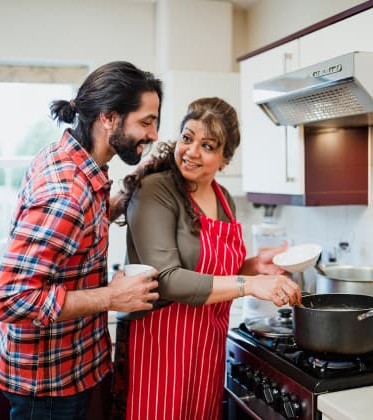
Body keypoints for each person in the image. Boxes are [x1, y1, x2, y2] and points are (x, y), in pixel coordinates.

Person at [0, 61, 163, 420]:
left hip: (63, 371)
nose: (154, 134)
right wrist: (112, 297)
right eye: (146, 122)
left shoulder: (74, 162)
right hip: (47, 386)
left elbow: (80, 229)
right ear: (109, 118)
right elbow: (11, 299)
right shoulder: (66, 194)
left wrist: (132, 185)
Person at [111, 97, 302, 420]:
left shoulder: (223, 197)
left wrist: (255, 266)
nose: (192, 151)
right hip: (159, 349)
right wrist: (251, 283)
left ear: (225, 160)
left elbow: (217, 271)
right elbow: (168, 279)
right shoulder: (156, 190)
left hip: (207, 347)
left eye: (208, 145)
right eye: (187, 138)